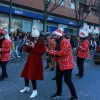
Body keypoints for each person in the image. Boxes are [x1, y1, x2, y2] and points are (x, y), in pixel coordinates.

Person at [46, 28, 78, 100]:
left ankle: (75, 96)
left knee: (67, 80)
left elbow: (62, 53)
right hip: (60, 64)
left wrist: (50, 52)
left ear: (58, 35)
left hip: (67, 64)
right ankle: (58, 93)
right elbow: (55, 50)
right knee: (58, 79)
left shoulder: (65, 41)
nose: (53, 37)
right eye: (53, 35)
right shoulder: (57, 41)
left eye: (54, 35)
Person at [20, 26, 45, 98]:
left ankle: (35, 90)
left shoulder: (42, 42)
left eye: (37, 37)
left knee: (33, 75)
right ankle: (26, 87)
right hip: (30, 59)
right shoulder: (31, 40)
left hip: (37, 60)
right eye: (34, 37)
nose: (36, 38)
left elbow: (41, 53)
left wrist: (33, 47)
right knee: (26, 73)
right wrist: (27, 45)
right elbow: (27, 51)